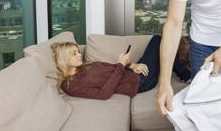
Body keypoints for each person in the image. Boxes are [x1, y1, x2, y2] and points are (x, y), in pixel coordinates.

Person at [51, 35, 190, 100]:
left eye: (78, 51)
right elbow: (103, 94)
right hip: (139, 83)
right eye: (74, 53)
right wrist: (121, 66)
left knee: (157, 39)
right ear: (63, 59)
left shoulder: (86, 66)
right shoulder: (70, 85)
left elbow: (113, 67)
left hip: (134, 73)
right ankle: (185, 75)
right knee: (159, 42)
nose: (79, 55)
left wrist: (132, 65)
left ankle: (181, 72)